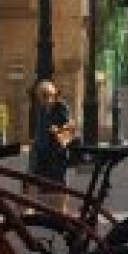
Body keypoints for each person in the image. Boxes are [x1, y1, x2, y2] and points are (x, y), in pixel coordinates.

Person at [29, 80, 75, 211]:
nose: (44, 99)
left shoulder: (61, 107)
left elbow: (69, 128)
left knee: (59, 183)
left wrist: (58, 130)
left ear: (53, 94)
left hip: (56, 152)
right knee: (38, 181)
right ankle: (39, 209)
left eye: (47, 95)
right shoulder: (41, 109)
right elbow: (39, 128)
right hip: (42, 151)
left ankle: (62, 210)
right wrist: (35, 142)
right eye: (41, 96)